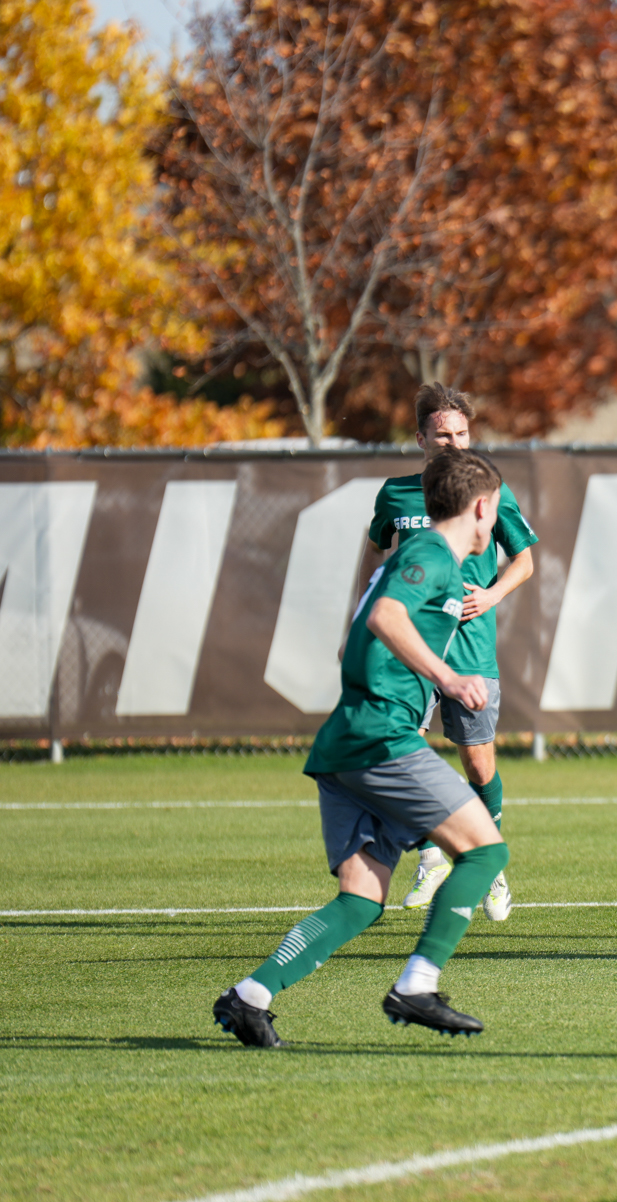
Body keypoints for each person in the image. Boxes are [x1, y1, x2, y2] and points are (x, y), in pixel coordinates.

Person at [211, 450, 511, 1046]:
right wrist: (449, 679)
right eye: (496, 513)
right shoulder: (432, 555)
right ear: (481, 508)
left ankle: (250, 997)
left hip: (351, 738)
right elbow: (385, 616)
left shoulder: (425, 557)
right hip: (381, 737)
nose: (494, 527)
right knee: (485, 853)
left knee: (362, 898)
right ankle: (417, 986)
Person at [369, 384, 537, 922]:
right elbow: (375, 557)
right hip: (411, 652)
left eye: (462, 433)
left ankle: (488, 862)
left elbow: (526, 561)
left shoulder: (491, 492)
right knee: (402, 758)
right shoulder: (395, 495)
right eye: (443, 433)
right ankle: (431, 855)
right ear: (420, 437)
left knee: (478, 766)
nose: (454, 442)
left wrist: (490, 594)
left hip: (469, 651)